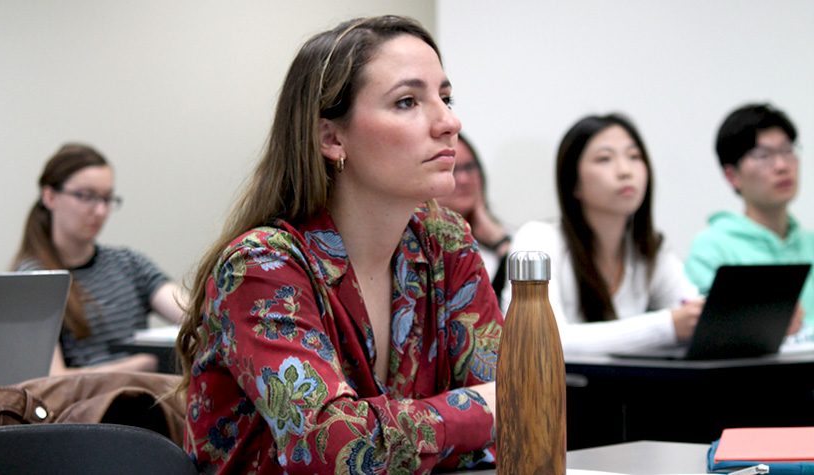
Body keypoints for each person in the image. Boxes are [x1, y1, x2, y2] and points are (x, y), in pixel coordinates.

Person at [175, 16, 502, 474]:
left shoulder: (445, 243)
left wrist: (405, 433)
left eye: (445, 99)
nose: (450, 122)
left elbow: (526, 412)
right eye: (407, 102)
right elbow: (336, 449)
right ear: (331, 137)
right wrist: (478, 414)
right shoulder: (260, 266)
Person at [502, 114, 703, 354]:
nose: (625, 171)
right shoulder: (537, 241)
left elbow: (695, 319)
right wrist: (667, 326)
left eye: (634, 156)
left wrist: (693, 320)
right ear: (573, 182)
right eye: (604, 159)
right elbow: (540, 341)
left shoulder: (649, 248)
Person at [13, 143, 187, 374]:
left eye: (107, 199)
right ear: (50, 196)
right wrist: (140, 365)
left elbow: (192, 316)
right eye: (86, 196)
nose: (100, 211)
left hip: (146, 393)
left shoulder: (129, 263)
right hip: (90, 398)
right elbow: (52, 379)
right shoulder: (34, 280)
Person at [685, 103, 814, 327]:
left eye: (787, 151)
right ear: (732, 175)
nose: (782, 166)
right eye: (763, 155)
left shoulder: (809, 244)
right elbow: (709, 332)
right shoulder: (712, 250)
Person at [436, 134, 512, 297]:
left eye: (469, 167)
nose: (463, 179)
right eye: (452, 169)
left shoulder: (503, 238)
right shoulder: (417, 246)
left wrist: (499, 241)